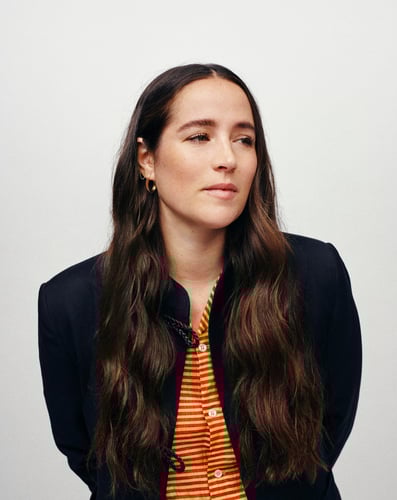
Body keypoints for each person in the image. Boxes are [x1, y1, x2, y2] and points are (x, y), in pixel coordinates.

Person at [38, 63, 362, 500]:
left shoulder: (316, 274)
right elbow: (87, 455)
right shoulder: (70, 302)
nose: (227, 159)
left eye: (244, 140)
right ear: (147, 160)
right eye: (199, 137)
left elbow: (327, 431)